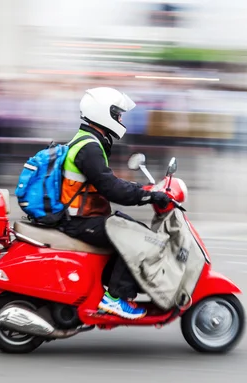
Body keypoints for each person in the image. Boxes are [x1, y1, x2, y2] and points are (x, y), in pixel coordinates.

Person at [59, 87, 171, 319]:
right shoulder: (89, 147)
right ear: (103, 113)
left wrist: (141, 189)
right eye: (117, 113)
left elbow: (107, 181)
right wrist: (147, 195)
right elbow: (111, 188)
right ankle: (115, 299)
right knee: (137, 237)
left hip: (83, 217)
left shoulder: (88, 141)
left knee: (130, 226)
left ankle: (119, 287)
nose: (120, 119)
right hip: (80, 221)